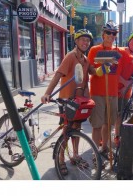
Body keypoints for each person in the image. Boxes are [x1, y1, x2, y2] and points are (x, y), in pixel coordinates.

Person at [40, 29, 108, 175]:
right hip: (67, 100)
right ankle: (60, 158)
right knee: (67, 130)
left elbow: (93, 71)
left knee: (76, 128)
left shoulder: (85, 58)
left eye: (88, 40)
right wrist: (47, 93)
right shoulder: (70, 56)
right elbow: (58, 74)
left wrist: (103, 68)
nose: (85, 42)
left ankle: (75, 155)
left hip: (79, 100)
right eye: (82, 39)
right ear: (76, 41)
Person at [88, 21, 133, 156]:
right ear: (103, 34)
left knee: (108, 124)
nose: (111, 36)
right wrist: (98, 71)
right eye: (108, 33)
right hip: (98, 92)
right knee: (97, 125)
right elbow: (90, 69)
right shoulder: (95, 50)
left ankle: (104, 147)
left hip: (113, 94)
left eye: (113, 33)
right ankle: (94, 153)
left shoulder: (118, 51)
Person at [115, 32, 133, 144]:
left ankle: (117, 136)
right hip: (114, 88)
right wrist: (124, 83)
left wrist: (129, 85)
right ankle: (104, 139)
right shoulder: (120, 51)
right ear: (129, 41)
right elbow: (115, 71)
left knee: (121, 114)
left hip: (126, 90)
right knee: (110, 116)